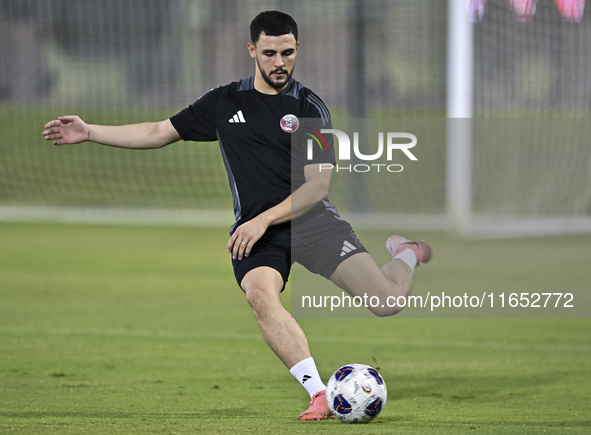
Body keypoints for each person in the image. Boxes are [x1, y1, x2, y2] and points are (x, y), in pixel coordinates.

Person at [42, 10, 432, 420]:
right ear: (252, 51)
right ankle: (319, 394)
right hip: (256, 231)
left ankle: (405, 252)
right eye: (268, 53)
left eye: (286, 52)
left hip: (312, 223)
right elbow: (159, 132)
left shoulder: (310, 107)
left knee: (387, 303)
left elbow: (317, 187)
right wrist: (90, 131)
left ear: (298, 48)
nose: (278, 62)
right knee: (260, 296)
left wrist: (264, 218)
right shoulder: (224, 101)